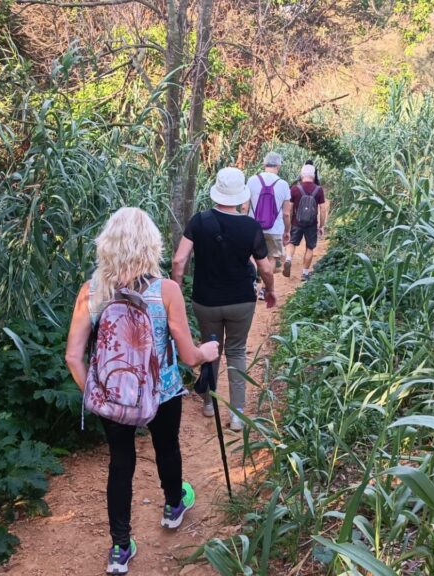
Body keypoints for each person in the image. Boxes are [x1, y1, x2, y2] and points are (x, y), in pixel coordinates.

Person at [65, 207, 220, 575]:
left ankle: (120, 549)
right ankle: (172, 506)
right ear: (152, 246)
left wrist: (97, 394)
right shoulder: (166, 290)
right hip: (161, 393)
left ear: (107, 245)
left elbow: (73, 357)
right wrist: (207, 352)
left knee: (121, 464)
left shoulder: (91, 292)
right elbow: (187, 355)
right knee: (167, 447)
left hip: (112, 397)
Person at [172, 167, 277, 432]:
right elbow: (265, 268)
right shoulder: (250, 226)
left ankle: (209, 403)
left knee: (210, 348)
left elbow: (178, 260)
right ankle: (237, 414)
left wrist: (175, 290)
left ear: (217, 192)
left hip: (205, 300)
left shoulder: (199, 221)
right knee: (236, 351)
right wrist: (270, 289)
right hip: (241, 299)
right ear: (241, 195)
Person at [246, 153, 292, 297]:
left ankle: (253, 283)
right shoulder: (283, 184)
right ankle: (265, 289)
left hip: (252, 227)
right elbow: (286, 213)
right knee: (272, 257)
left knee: (251, 255)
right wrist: (287, 231)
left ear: (264, 164)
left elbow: (243, 207)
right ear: (278, 166)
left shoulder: (252, 180)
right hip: (275, 229)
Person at [284, 163, 327, 282]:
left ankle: (288, 259)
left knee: (292, 242)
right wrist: (322, 225)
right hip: (311, 224)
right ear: (313, 176)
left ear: (301, 175)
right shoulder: (319, 190)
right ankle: (305, 273)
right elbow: (323, 209)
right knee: (309, 247)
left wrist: (289, 223)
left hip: (296, 222)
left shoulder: (295, 189)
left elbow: (290, 208)